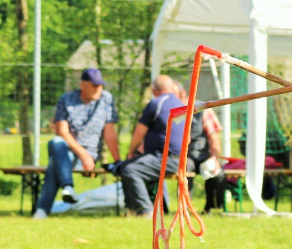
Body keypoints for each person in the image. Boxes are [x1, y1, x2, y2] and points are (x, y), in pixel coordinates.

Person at [116, 75, 225, 216]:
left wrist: (214, 158)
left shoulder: (162, 104)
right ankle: (182, 207)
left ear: (153, 90)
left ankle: (146, 210)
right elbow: (186, 138)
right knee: (185, 169)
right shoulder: (181, 106)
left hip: (187, 155)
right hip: (185, 156)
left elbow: (213, 138)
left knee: (130, 169)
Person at [33, 67, 119, 219]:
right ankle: (67, 186)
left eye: (100, 85)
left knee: (55, 164)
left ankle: (43, 209)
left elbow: (109, 132)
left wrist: (118, 161)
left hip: (90, 157)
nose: (99, 88)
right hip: (67, 153)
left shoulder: (106, 99)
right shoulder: (66, 100)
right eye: (94, 85)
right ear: (83, 85)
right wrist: (82, 154)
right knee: (56, 142)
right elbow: (62, 132)